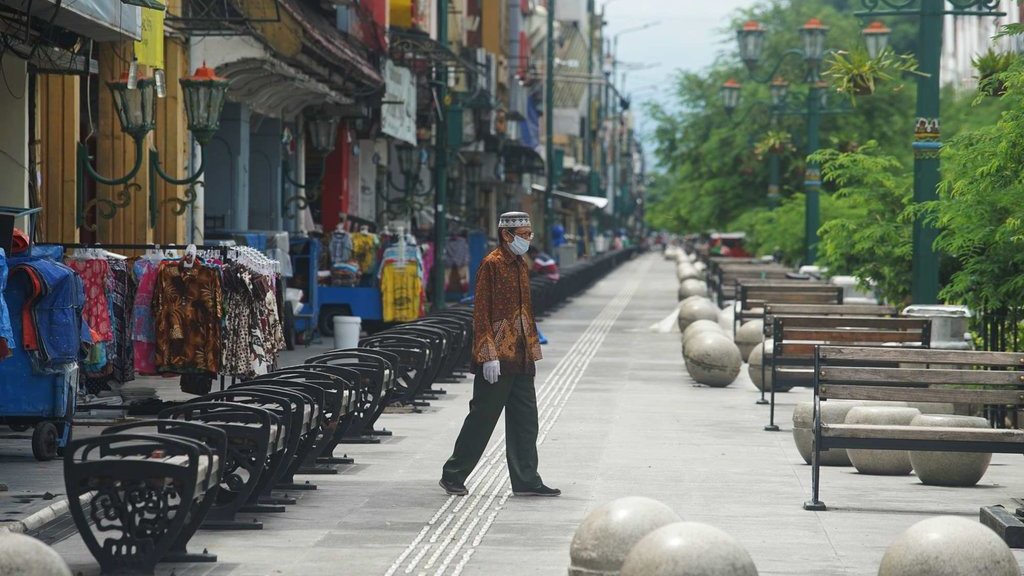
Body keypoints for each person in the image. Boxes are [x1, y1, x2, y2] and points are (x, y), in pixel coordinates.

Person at [439, 211, 560, 498]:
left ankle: (527, 479)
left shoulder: (520, 263)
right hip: (496, 356)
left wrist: (530, 347)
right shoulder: (491, 265)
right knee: (483, 417)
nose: (528, 239)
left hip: (520, 355)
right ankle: (453, 474)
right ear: (507, 235)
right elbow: (480, 312)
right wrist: (487, 353)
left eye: (529, 234)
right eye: (524, 235)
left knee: (526, 420)